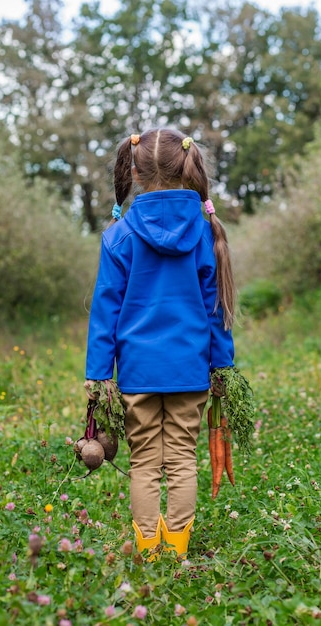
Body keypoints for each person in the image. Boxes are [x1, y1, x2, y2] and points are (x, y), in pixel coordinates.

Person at [84, 128, 235, 559]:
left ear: (133, 171)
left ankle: (149, 549)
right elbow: (216, 312)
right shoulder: (207, 234)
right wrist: (221, 367)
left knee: (146, 462)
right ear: (187, 168)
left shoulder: (119, 236)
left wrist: (98, 375)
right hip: (190, 370)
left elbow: (104, 312)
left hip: (138, 373)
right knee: (183, 459)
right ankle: (178, 548)